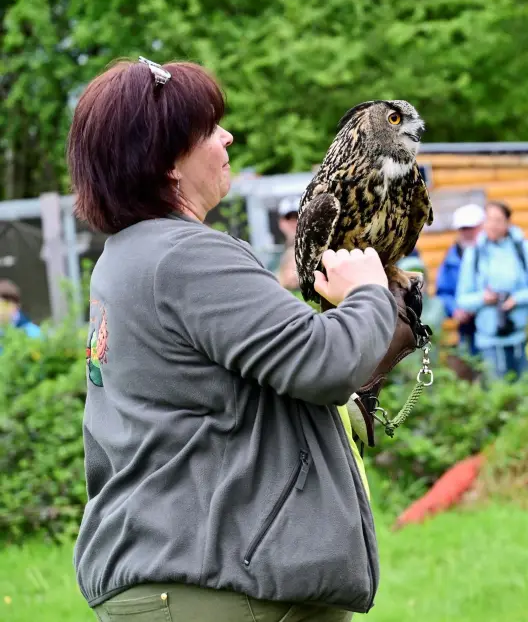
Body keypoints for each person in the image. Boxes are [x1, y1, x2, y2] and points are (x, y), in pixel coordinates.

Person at [68, 58, 422, 621]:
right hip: (220, 582)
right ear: (167, 161)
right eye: (209, 128)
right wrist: (368, 293)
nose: (227, 136)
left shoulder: (128, 257)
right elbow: (324, 362)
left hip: (175, 569)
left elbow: (227, 397)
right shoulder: (186, 256)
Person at [455, 201, 528, 381]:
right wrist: (484, 298)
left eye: (498, 220)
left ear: (508, 223)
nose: (493, 225)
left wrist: (517, 299)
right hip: (489, 341)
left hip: (525, 338)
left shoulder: (525, 249)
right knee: (497, 393)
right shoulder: (473, 254)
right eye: (488, 220)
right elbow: (462, 299)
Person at [436, 203, 485, 357]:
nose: (467, 233)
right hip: (466, 328)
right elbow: (443, 293)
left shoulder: (492, 255)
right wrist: (455, 310)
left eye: (471, 228)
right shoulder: (450, 261)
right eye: (463, 229)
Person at [274, 197, 301, 292]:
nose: (293, 222)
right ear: (281, 222)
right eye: (288, 217)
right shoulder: (273, 254)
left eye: (297, 217)